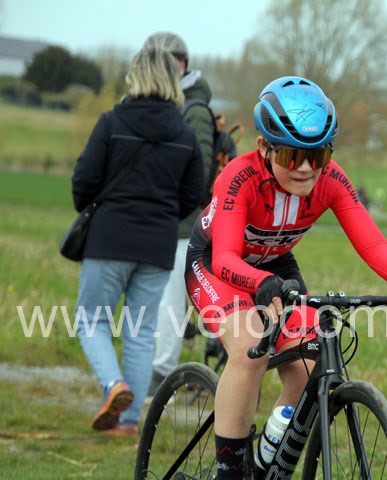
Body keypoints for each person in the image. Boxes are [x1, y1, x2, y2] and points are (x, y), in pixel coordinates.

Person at [185, 76, 387, 479]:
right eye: (292, 156)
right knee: (251, 349)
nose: (306, 169)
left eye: (317, 155)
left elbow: (372, 243)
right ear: (264, 148)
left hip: (276, 267)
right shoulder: (239, 176)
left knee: (309, 360)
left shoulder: (332, 180)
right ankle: (229, 472)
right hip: (217, 264)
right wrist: (259, 284)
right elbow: (226, 258)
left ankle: (267, 456)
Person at [71, 47, 205, 436]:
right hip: (158, 246)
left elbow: (84, 179)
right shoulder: (185, 134)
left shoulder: (111, 122)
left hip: (108, 240)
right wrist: (162, 218)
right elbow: (193, 195)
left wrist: (94, 208)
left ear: (137, 76)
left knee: (91, 319)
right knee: (141, 331)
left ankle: (114, 385)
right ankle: (128, 422)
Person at [142, 32, 217, 397]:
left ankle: (163, 371)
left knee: (171, 300)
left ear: (184, 65)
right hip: (161, 221)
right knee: (161, 300)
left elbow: (198, 172)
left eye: (171, 61)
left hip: (185, 224)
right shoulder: (164, 104)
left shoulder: (194, 110)